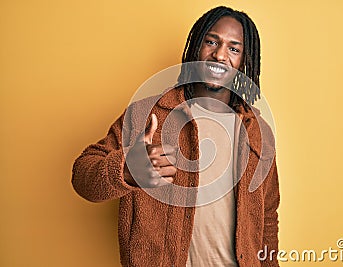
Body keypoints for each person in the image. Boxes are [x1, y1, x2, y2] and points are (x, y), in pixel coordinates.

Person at [72, 6, 280, 267]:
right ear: (196, 47)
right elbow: (82, 176)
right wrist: (126, 170)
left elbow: (268, 217)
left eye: (233, 48)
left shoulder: (258, 133)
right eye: (211, 42)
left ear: (244, 61)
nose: (219, 55)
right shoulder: (146, 115)